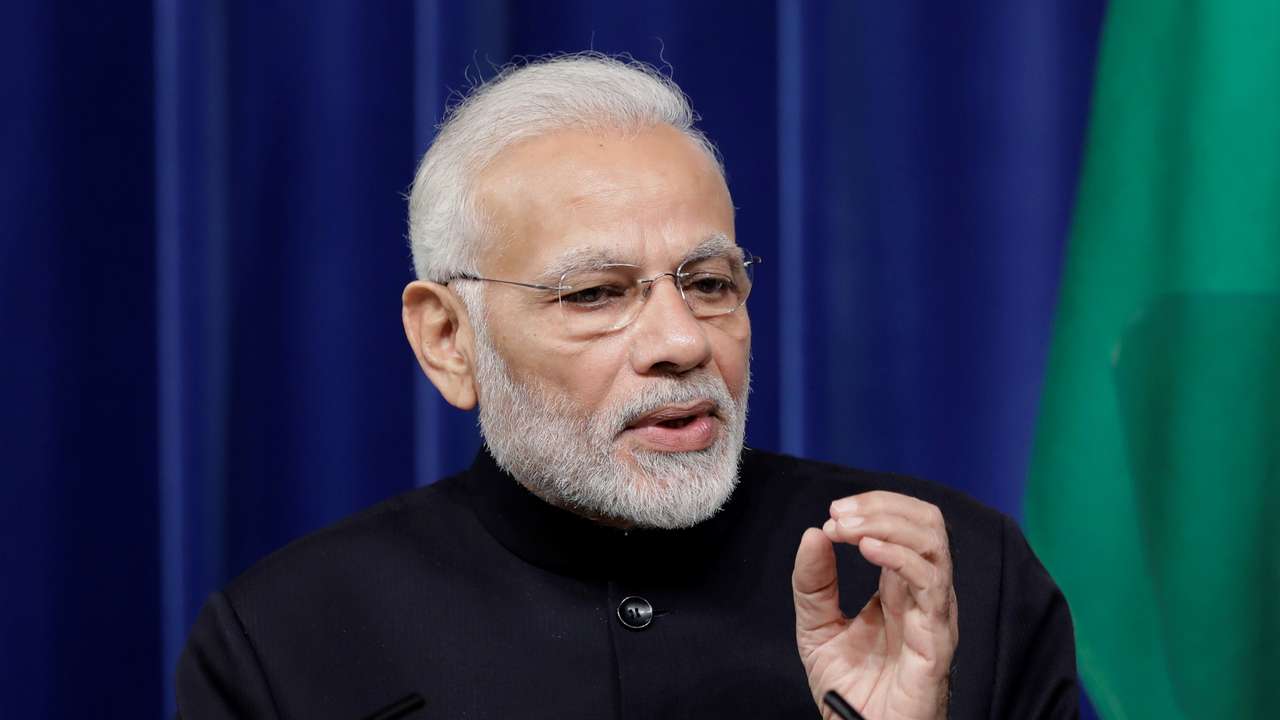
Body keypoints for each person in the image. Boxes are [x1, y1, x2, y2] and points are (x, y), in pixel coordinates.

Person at [177, 53, 1076, 719]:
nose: (682, 342)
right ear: (448, 340)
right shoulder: (282, 641)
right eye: (597, 295)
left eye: (711, 283)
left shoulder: (949, 581)